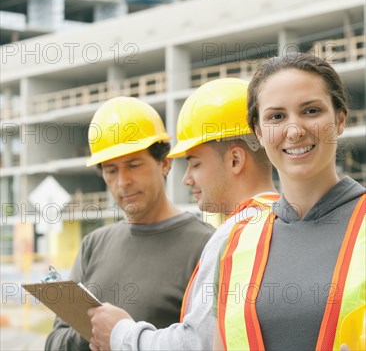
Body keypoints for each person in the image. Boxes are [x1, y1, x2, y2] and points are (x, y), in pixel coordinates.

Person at [88, 78, 279, 351]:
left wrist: (120, 334)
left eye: (195, 163)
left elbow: (197, 343)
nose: (187, 179)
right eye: (111, 170)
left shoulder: (234, 237)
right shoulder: (285, 223)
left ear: (235, 160)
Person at [213, 53, 365, 351]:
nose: (294, 130)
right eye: (276, 117)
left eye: (311, 111)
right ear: (258, 132)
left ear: (340, 119)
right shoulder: (236, 243)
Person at [45, 96, 214, 351]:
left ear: (164, 163)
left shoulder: (207, 245)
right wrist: (95, 330)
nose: (123, 182)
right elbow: (55, 343)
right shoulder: (94, 245)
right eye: (111, 171)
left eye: (134, 165)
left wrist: (121, 334)